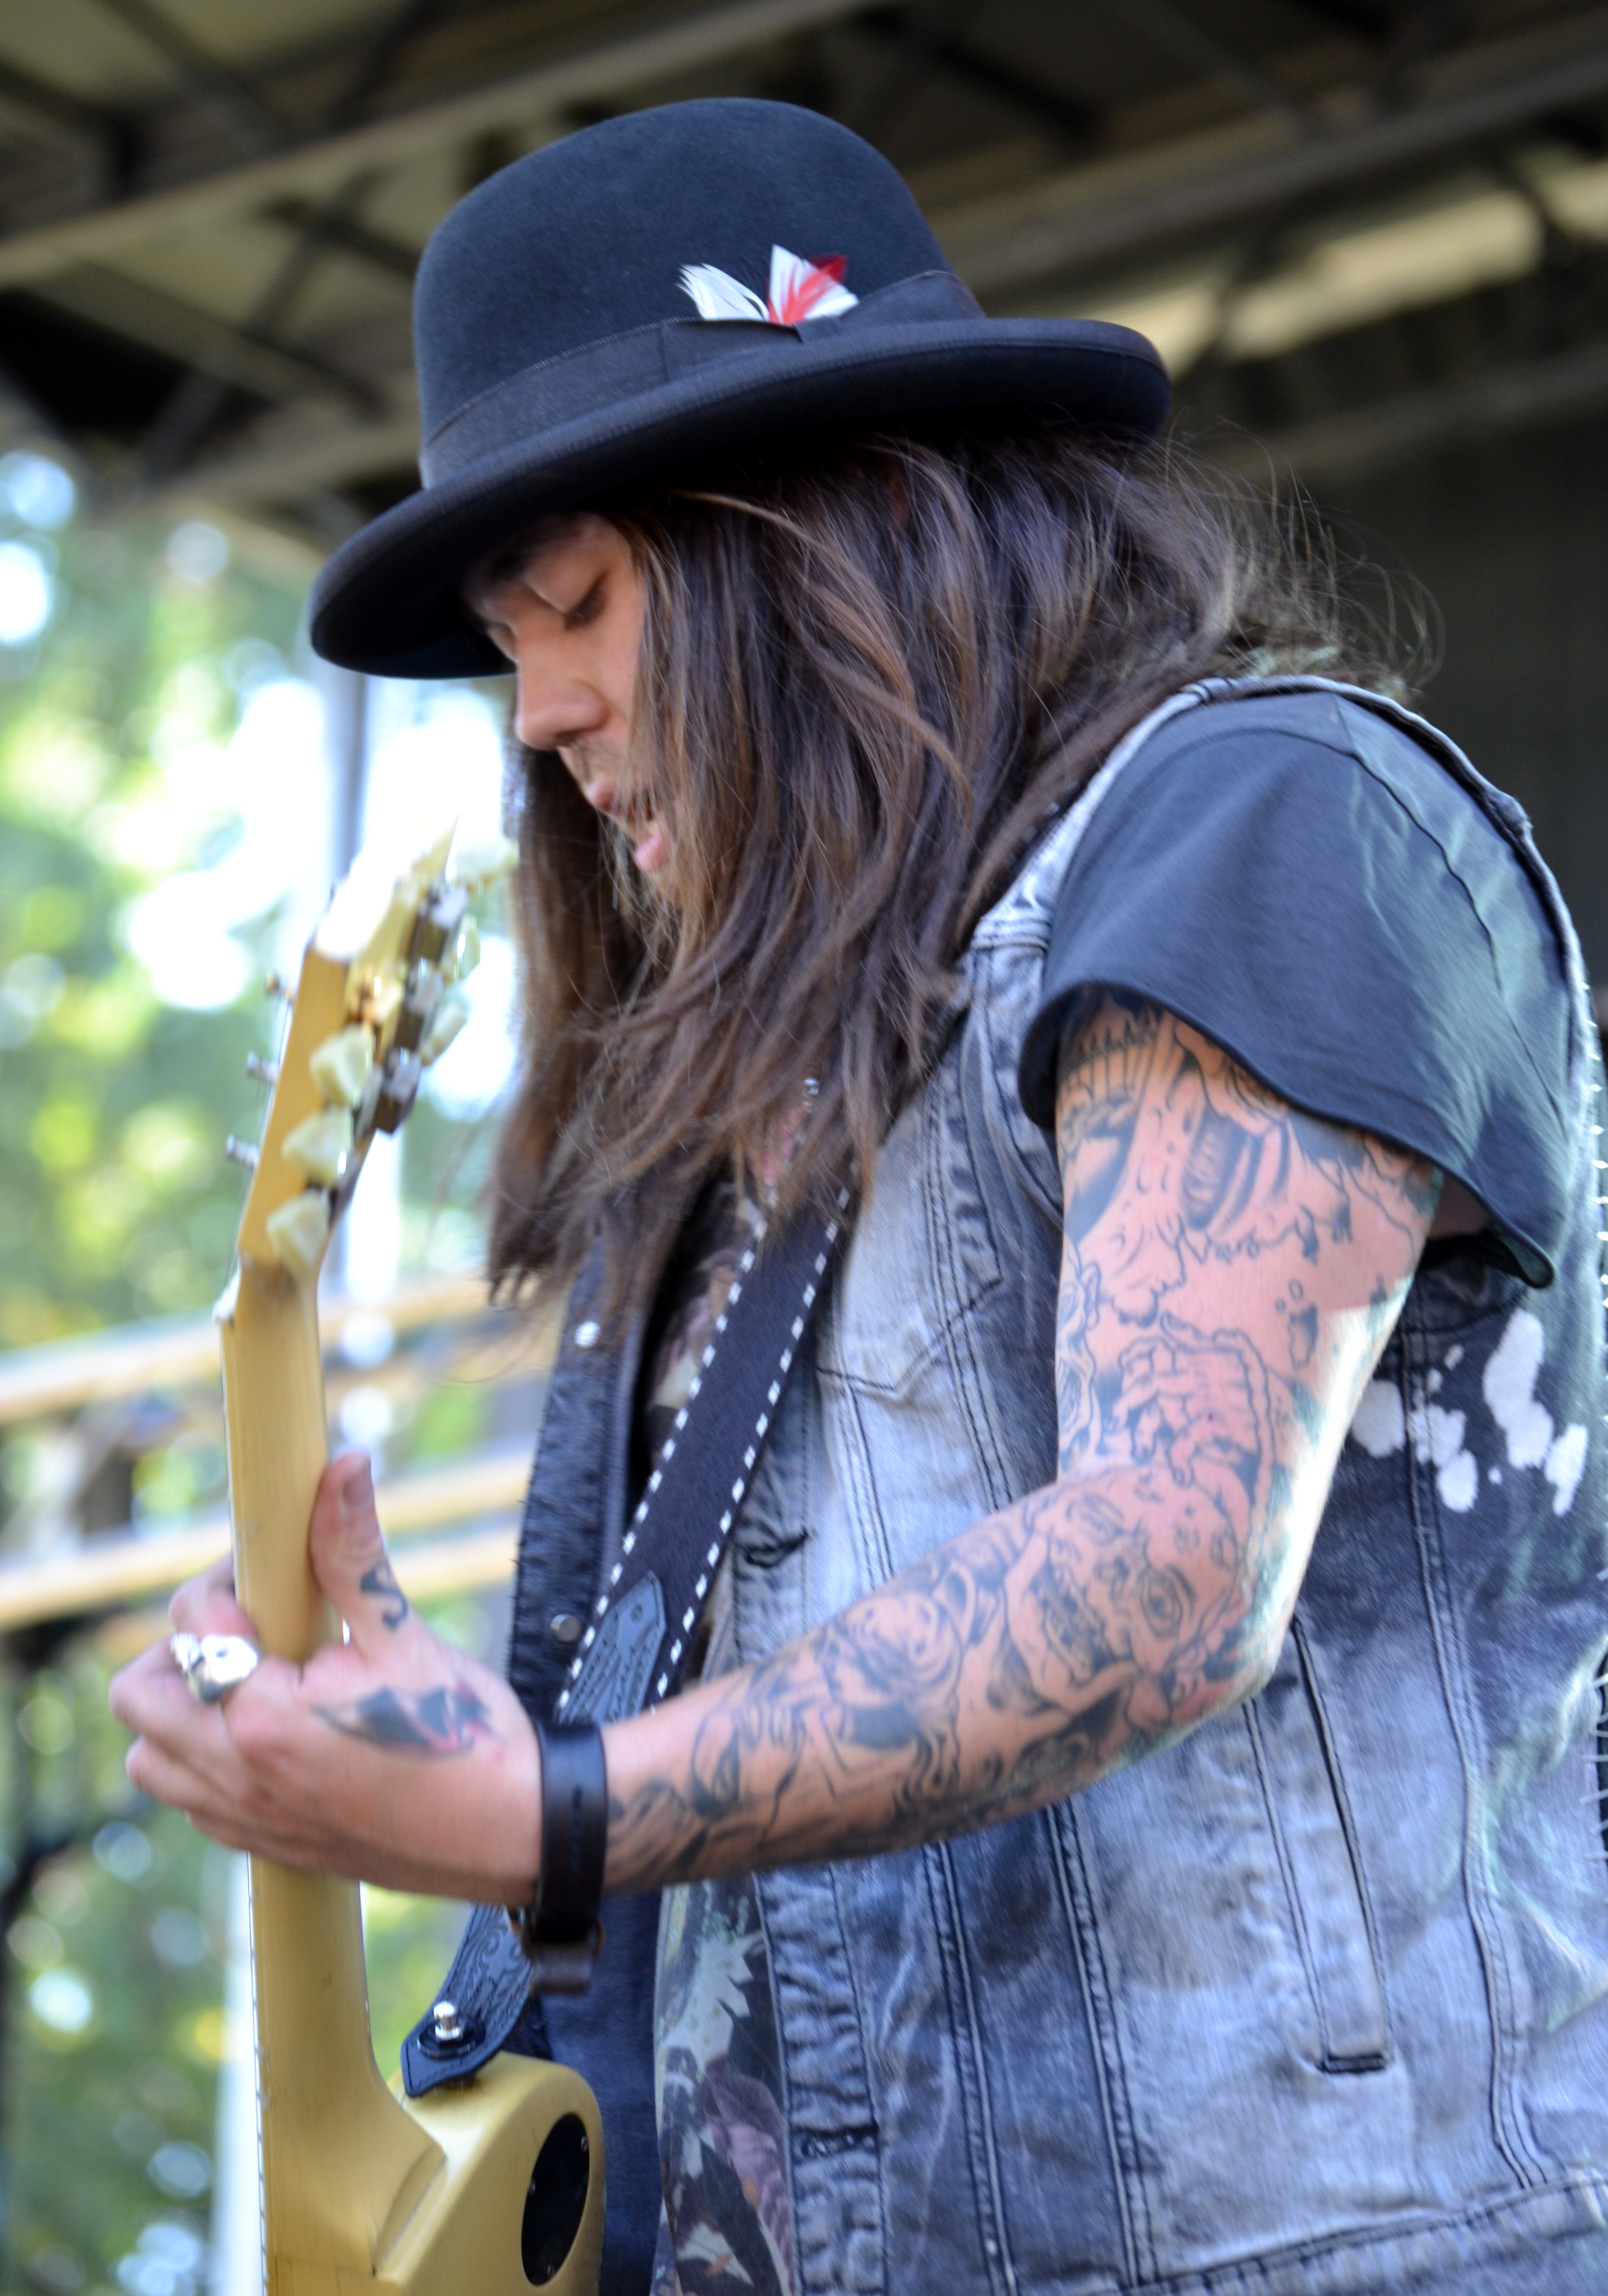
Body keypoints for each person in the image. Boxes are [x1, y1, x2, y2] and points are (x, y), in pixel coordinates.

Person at [111, 98, 1608, 2296]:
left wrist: (550, 1801)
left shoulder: (1260, 818)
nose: (539, 716)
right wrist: (454, 1745)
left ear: (848, 517)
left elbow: (1170, 1558)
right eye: (512, 644)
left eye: (581, 602)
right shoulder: (752, 1115)